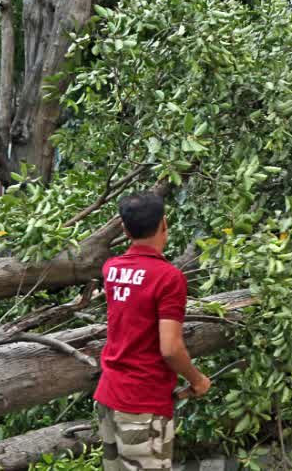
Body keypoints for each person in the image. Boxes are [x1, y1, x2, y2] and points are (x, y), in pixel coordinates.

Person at [94, 192, 212, 471]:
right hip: (142, 404)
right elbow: (170, 348)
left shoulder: (111, 269)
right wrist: (197, 380)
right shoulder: (169, 278)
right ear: (164, 224)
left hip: (109, 396)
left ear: (124, 229)